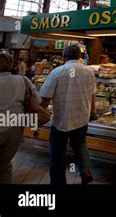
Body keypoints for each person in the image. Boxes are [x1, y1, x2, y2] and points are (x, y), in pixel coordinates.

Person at [39, 45, 97, 185]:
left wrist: (38, 115)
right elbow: (93, 93)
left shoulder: (57, 72)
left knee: (58, 152)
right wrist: (93, 111)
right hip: (82, 118)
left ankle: (59, 181)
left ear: (64, 56)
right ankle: (86, 171)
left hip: (62, 121)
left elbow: (45, 98)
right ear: (80, 56)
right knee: (80, 144)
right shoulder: (89, 71)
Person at [0, 53, 49, 184]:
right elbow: (37, 102)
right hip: (14, 127)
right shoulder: (22, 80)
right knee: (4, 166)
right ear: (11, 65)